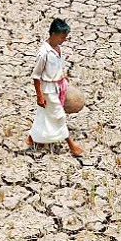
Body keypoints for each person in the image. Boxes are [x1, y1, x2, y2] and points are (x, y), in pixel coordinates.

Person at [27, 18, 83, 156]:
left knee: (43, 114)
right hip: (48, 89)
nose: (64, 40)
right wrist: (40, 95)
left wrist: (62, 75)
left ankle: (32, 138)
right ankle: (72, 146)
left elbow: (56, 66)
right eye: (62, 37)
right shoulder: (44, 53)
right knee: (58, 116)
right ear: (53, 34)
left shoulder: (57, 48)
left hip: (58, 86)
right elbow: (36, 76)